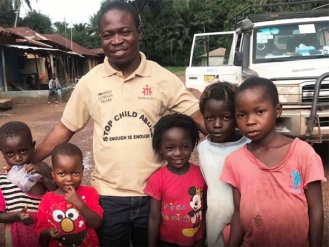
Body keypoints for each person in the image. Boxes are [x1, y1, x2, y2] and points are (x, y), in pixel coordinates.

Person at [32, 2, 206, 246]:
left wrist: (236, 143)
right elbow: (65, 129)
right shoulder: (89, 83)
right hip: (108, 197)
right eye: (108, 35)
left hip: (153, 194)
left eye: (124, 31)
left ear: (139, 32)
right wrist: (32, 158)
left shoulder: (162, 78)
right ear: (101, 39)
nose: (116, 40)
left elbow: (198, 116)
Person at [220, 77, 326, 246]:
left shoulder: (303, 153)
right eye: (241, 115)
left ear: (277, 111)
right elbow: (239, 212)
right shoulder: (234, 161)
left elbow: (316, 209)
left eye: (259, 111)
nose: (250, 121)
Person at [197, 82, 250, 247]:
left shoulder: (249, 145)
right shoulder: (203, 148)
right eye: (210, 118)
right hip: (215, 218)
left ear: (237, 116)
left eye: (226, 117)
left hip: (247, 219)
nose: (217, 124)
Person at [0, 121, 55, 247]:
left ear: (32, 146)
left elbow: (57, 194)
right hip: (16, 235)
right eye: (10, 153)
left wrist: (43, 179)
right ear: (2, 152)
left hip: (45, 232)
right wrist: (16, 216)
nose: (17, 158)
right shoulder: (2, 181)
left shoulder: (42, 170)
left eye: (23, 151)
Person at [144, 113, 206, 247]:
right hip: (166, 242)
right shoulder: (157, 179)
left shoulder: (201, 174)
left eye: (184, 147)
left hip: (195, 240)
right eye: (170, 148)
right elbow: (154, 218)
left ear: (193, 145)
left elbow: (203, 211)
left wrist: (202, 239)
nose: (178, 153)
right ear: (160, 148)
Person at [35, 143, 103, 247]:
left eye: (75, 173)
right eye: (62, 173)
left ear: (82, 170)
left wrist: (79, 204)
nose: (69, 179)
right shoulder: (47, 200)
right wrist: (49, 233)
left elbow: (97, 223)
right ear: (53, 173)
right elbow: (40, 229)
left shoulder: (90, 193)